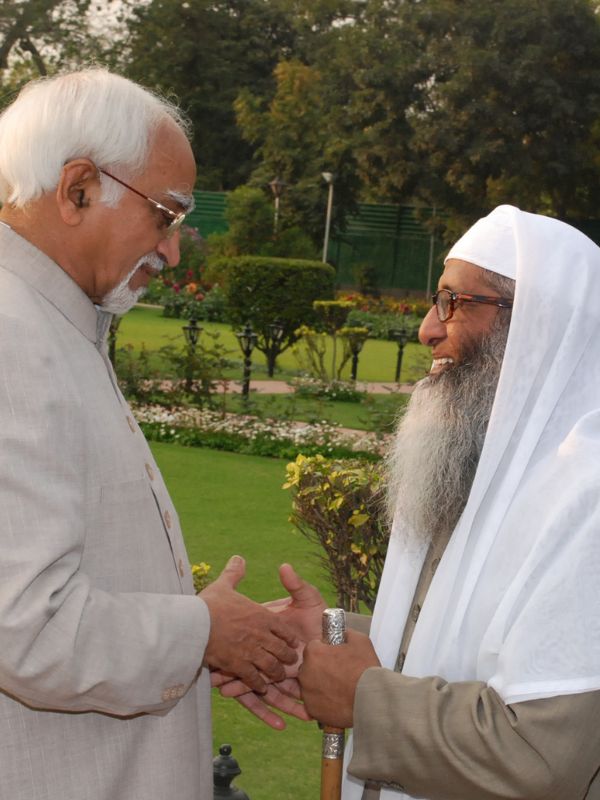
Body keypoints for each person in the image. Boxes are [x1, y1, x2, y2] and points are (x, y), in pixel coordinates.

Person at [223, 205, 600, 799]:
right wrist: (327, 635)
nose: (428, 328)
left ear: (534, 324)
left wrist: (365, 698)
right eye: (435, 299)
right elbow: (457, 639)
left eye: (455, 302)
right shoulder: (473, 463)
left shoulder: (586, 497)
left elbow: (547, 756)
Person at [0, 68, 299, 800]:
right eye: (165, 216)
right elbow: (26, 629)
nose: (171, 251)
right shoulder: (13, 335)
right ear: (77, 189)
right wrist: (201, 632)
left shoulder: (54, 323)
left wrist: (216, 630)